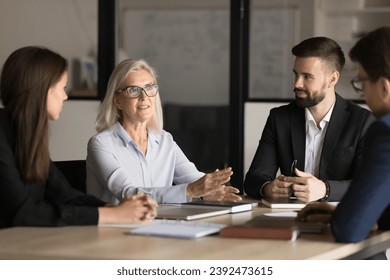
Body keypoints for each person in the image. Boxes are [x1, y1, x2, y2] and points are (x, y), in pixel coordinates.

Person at [0, 46, 157, 228]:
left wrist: (121, 209)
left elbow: (66, 196)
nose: (65, 96)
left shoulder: (27, 134)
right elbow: (22, 213)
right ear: (43, 90)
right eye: (62, 87)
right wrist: (112, 214)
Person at [86, 59, 241, 204]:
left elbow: (193, 179)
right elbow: (129, 193)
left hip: (161, 223)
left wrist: (211, 188)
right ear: (117, 100)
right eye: (133, 90)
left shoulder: (165, 140)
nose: (144, 96)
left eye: (149, 87)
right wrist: (191, 190)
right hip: (115, 230)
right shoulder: (101, 144)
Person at [244, 37, 374, 203]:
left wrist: (325, 190)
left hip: (338, 217)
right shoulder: (280, 118)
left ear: (332, 79)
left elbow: (367, 185)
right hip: (288, 217)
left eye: (307, 76)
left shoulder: (363, 122)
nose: (297, 83)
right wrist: (267, 188)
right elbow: (253, 179)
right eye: (296, 74)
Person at [297, 27, 390, 245]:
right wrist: (341, 214)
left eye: (362, 82)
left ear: (384, 87)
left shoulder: (385, 132)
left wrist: (344, 217)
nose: (363, 93)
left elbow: (348, 231)